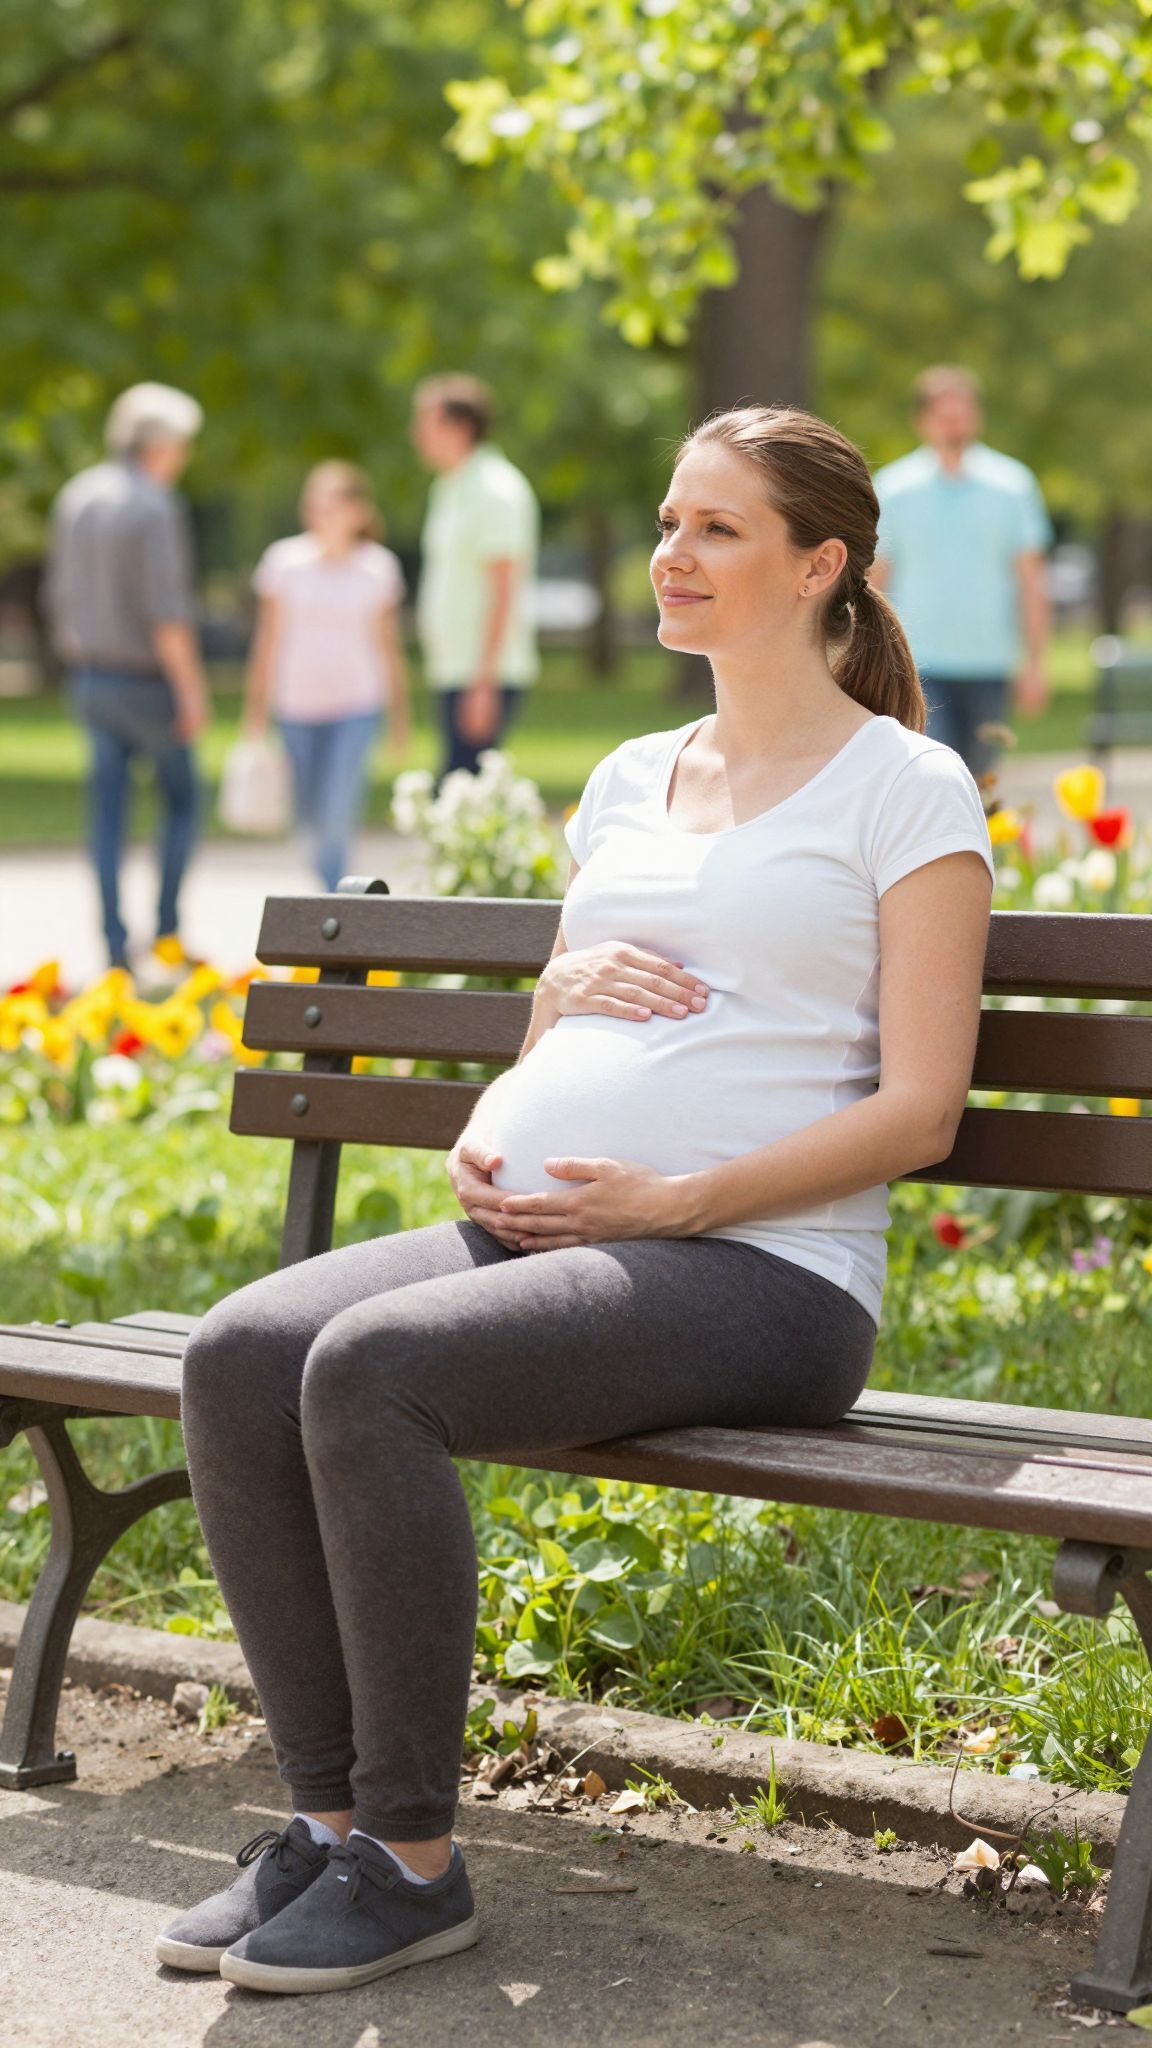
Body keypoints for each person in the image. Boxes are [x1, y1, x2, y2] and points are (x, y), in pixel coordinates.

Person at [160, 405, 994, 1996]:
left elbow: (922, 1108)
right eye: (670, 523)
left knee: (369, 1367)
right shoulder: (627, 774)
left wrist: (681, 1201)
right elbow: (579, 1020)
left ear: (825, 566)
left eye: (717, 531)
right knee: (238, 1353)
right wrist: (511, 1081)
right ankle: (328, 1831)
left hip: (767, 1273)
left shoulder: (907, 785)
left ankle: (411, 1864)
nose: (670, 557)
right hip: (561, 1227)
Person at [44, 382, 209, 971]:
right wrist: (192, 692)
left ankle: (115, 943)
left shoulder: (77, 497)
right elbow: (167, 612)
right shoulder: (155, 505)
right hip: (146, 683)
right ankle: (165, 931)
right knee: (183, 801)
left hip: (90, 679)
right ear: (159, 445)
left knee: (107, 815)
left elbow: (57, 594)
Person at [871, 365, 1053, 778]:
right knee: (934, 777)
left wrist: (1036, 664)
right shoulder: (894, 488)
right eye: (945, 417)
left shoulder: (1013, 485)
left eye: (963, 416)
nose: (956, 427)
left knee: (981, 785)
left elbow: (1031, 581)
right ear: (923, 421)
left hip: (990, 664)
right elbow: (876, 581)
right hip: (919, 665)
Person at [244, 462, 411, 892]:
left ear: (358, 511)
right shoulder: (284, 563)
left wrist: (399, 716)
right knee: (306, 815)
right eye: (317, 506)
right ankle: (329, 890)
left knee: (337, 811)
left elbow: (389, 648)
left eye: (335, 505)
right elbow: (267, 642)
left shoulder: (378, 568)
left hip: (356, 706)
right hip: (297, 707)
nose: (324, 515)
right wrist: (255, 712)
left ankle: (335, 897)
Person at [411, 374, 539, 784]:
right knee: (460, 795)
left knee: (460, 794)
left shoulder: (495, 490)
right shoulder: (450, 487)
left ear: (459, 427)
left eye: (425, 423)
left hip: (483, 672)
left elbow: (504, 590)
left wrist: (484, 682)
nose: (416, 435)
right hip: (456, 668)